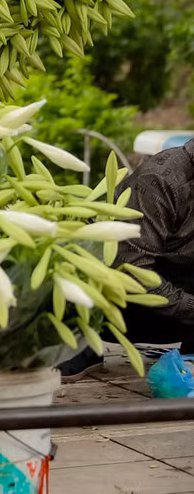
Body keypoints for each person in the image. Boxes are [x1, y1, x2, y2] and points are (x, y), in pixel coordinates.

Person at [59, 140, 194, 380]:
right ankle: (81, 342)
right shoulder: (162, 180)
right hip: (119, 302)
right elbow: (133, 271)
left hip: (176, 296)